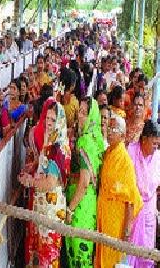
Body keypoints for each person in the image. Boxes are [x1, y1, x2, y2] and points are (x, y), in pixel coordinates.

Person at [20, 98, 70, 267]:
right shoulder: (51, 142)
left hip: (51, 209)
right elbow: (45, 166)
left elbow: (50, 182)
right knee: (40, 254)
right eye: (47, 118)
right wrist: (32, 167)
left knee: (47, 257)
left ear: (60, 121)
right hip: (43, 206)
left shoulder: (57, 147)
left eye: (53, 120)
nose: (48, 123)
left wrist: (30, 181)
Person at [96, 114, 143, 268]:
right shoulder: (109, 153)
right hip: (105, 217)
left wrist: (127, 232)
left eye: (114, 129)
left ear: (123, 135)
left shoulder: (125, 161)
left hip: (117, 225)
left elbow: (131, 199)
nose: (109, 131)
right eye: (109, 127)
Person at [65, 98, 105, 267]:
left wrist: (70, 209)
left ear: (92, 116)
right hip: (90, 204)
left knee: (79, 256)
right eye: (79, 111)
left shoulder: (85, 141)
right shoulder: (97, 138)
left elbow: (84, 183)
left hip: (80, 206)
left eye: (84, 112)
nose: (79, 116)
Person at [127, 121, 160, 267]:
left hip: (148, 213)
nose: (155, 148)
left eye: (157, 144)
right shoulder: (131, 151)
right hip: (132, 209)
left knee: (146, 255)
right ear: (144, 139)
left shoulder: (158, 157)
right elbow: (128, 181)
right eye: (153, 144)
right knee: (129, 252)